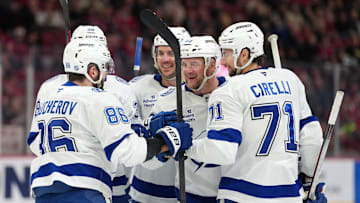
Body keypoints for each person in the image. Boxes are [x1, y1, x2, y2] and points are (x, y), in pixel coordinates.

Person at [27, 38, 193, 203]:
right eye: (104, 68)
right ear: (92, 71)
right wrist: (166, 142)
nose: (106, 76)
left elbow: (34, 142)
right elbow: (128, 151)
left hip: (43, 189)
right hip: (84, 190)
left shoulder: (49, 97)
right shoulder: (101, 99)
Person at [187, 22, 327, 203]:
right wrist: (309, 182)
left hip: (241, 195)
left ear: (244, 54)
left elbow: (221, 151)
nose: (222, 61)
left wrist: (184, 146)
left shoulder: (229, 90)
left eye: (226, 53)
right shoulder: (290, 79)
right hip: (288, 195)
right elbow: (312, 137)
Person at [28, 25, 138, 202]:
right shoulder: (121, 88)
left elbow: (35, 141)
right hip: (96, 177)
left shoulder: (50, 87)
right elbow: (131, 143)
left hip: (74, 179)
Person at [145, 36, 225, 202]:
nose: (187, 70)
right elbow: (147, 163)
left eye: (194, 64)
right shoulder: (168, 100)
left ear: (212, 64)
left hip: (235, 193)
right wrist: (159, 146)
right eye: (185, 64)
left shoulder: (235, 93)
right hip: (191, 196)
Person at [129, 27, 191, 203]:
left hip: (189, 191)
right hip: (145, 191)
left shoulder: (200, 91)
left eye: (171, 53)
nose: (165, 59)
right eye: (160, 53)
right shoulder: (136, 88)